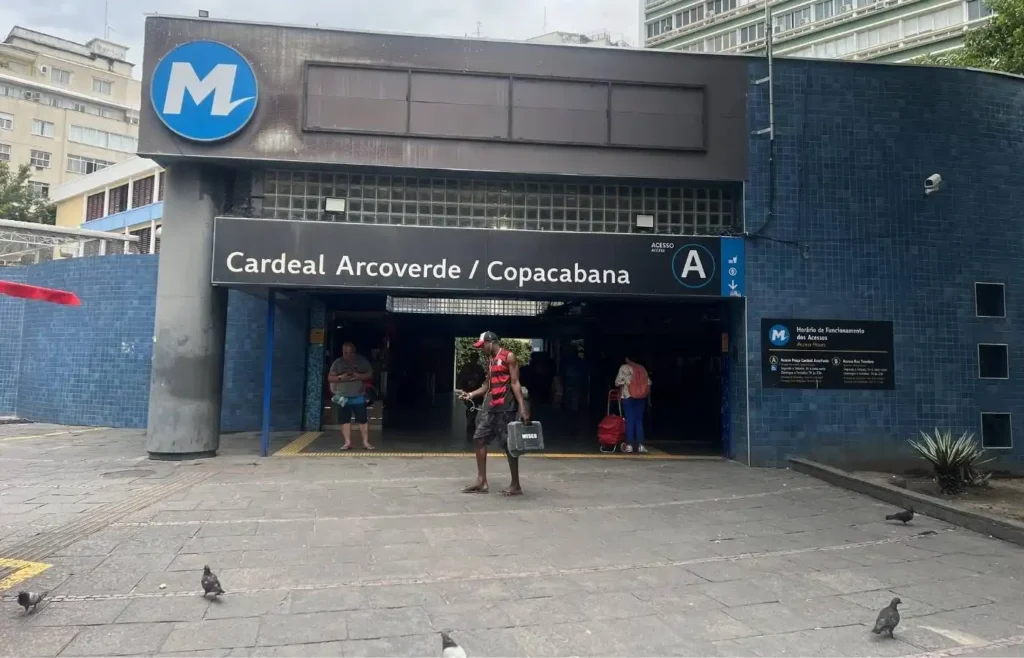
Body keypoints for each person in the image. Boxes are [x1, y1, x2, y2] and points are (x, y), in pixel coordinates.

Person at [459, 331, 529, 496]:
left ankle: (515, 485)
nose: (481, 349)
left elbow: (515, 382)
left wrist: (522, 407)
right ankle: (481, 481)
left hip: (506, 408)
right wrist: (471, 394)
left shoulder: (508, 357)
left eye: (482, 345)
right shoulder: (490, 360)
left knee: (509, 446)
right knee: (479, 438)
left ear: (491, 342)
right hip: (492, 408)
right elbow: (487, 386)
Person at [328, 342, 375, 450]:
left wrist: (359, 376)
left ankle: (365, 442)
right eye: (345, 353)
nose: (348, 355)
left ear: (354, 352)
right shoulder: (338, 363)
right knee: (345, 420)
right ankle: (347, 442)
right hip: (343, 397)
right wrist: (341, 377)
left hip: (359, 396)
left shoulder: (362, 361)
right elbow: (330, 378)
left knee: (362, 420)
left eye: (350, 353)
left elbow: (370, 374)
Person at [615, 355, 651, 454]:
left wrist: (625, 382)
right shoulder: (642, 368)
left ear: (627, 358)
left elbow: (617, 382)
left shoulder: (624, 367)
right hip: (641, 397)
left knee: (629, 420)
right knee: (639, 420)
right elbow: (648, 382)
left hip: (628, 396)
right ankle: (641, 445)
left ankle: (630, 445)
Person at [456, 352, 487, 436]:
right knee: (470, 405)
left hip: (476, 390)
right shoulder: (466, 368)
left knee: (474, 406)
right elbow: (461, 378)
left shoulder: (479, 368)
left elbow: (483, 378)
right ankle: (470, 420)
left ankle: (471, 420)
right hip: (467, 390)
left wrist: (476, 381)